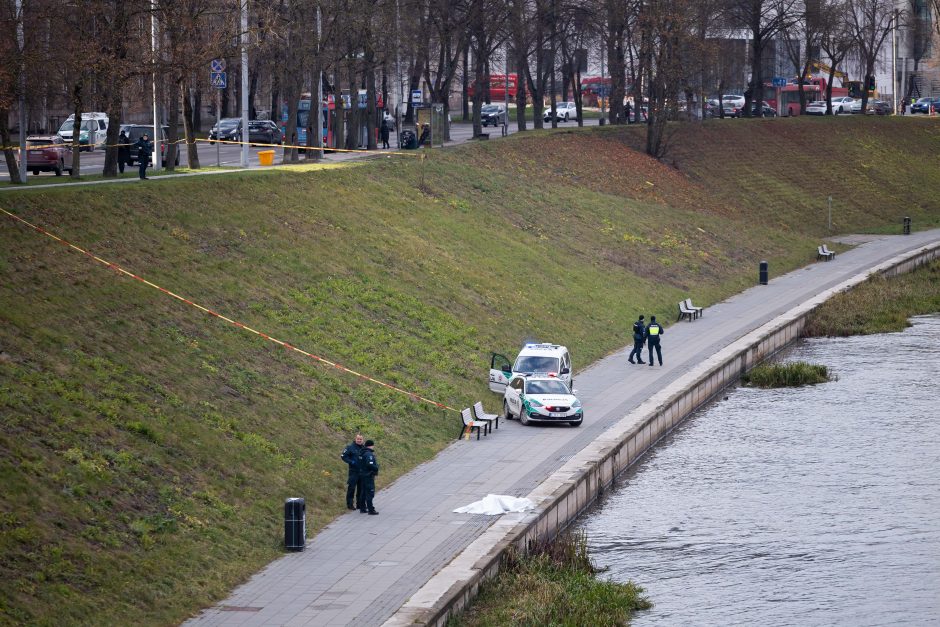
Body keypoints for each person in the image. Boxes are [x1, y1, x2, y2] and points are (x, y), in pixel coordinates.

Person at [341, 434, 365, 510]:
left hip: (362, 472)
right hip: (353, 472)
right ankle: (350, 504)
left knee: (361, 489)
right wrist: (351, 462)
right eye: (358, 439)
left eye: (360, 439)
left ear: (363, 440)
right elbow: (343, 456)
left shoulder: (364, 448)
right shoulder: (350, 447)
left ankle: (359, 504)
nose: (359, 440)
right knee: (351, 488)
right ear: (355, 439)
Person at [357, 440, 379, 515]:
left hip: (362, 475)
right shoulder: (369, 454)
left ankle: (362, 508)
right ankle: (371, 510)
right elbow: (370, 464)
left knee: (363, 492)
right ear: (371, 445)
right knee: (370, 493)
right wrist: (376, 468)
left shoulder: (361, 452)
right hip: (368, 476)